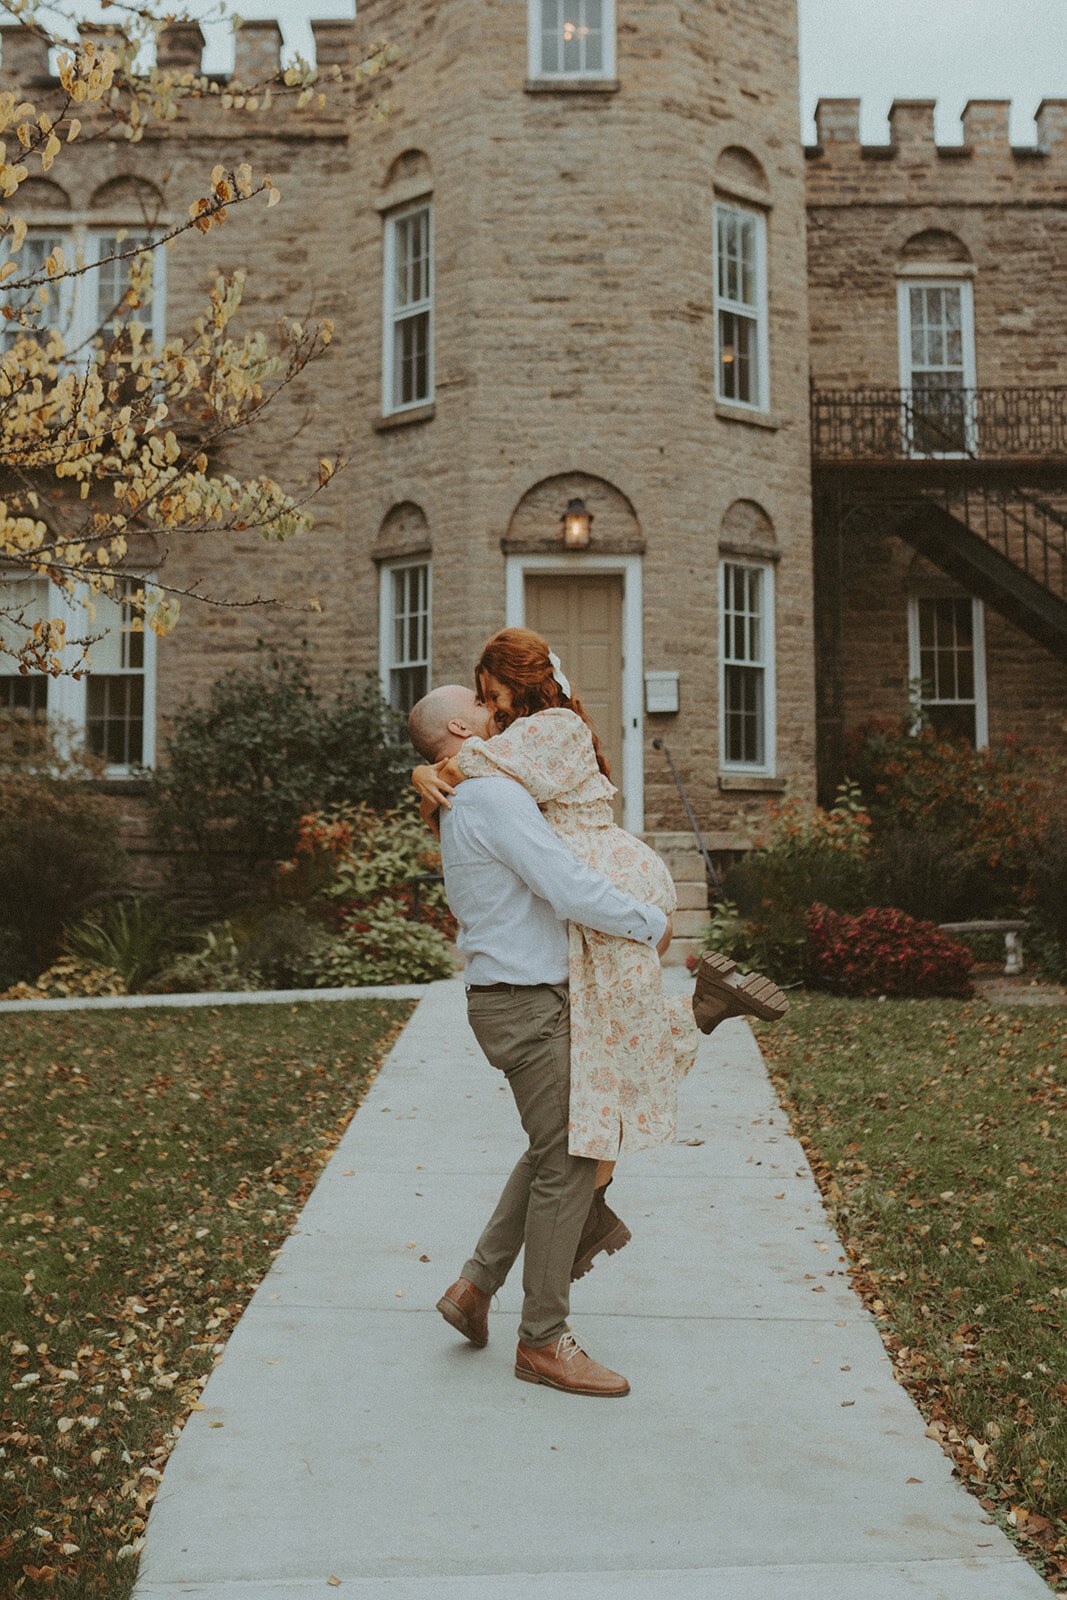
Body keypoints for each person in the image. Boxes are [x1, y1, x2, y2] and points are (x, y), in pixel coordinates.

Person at [412, 629, 788, 1192]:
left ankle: (586, 1206)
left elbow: (466, 765)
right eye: (480, 701)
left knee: (606, 1053)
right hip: (607, 872)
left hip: (608, 879)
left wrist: (423, 774)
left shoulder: (551, 729)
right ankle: (703, 1010)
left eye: (491, 695)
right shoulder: (528, 739)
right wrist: (427, 775)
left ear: (517, 684)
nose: (490, 707)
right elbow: (468, 769)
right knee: (610, 1038)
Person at [407, 683, 674, 1397]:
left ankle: (474, 1286)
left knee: (550, 1145)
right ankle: (543, 1341)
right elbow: (565, 884)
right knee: (573, 1156)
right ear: (462, 725)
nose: (502, 712)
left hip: (515, 1001)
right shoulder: (491, 798)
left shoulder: (473, 794)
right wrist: (648, 924)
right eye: (484, 702)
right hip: (526, 1005)